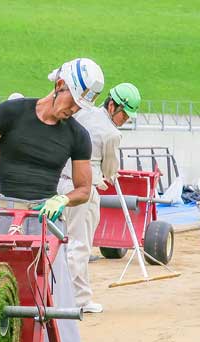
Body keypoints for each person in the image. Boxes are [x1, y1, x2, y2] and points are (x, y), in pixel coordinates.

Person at [0, 58, 103, 224]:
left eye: (80, 106)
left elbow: (84, 190)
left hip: (44, 217)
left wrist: (62, 199)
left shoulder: (78, 135)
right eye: (73, 101)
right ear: (59, 85)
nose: (74, 110)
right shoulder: (12, 112)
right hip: (6, 214)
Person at [59, 82, 141, 313]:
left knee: (60, 242)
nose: (124, 119)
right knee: (80, 244)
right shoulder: (112, 134)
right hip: (83, 189)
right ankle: (80, 300)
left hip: (59, 183)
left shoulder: (84, 111)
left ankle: (58, 294)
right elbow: (111, 168)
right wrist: (104, 177)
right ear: (113, 104)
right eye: (124, 114)